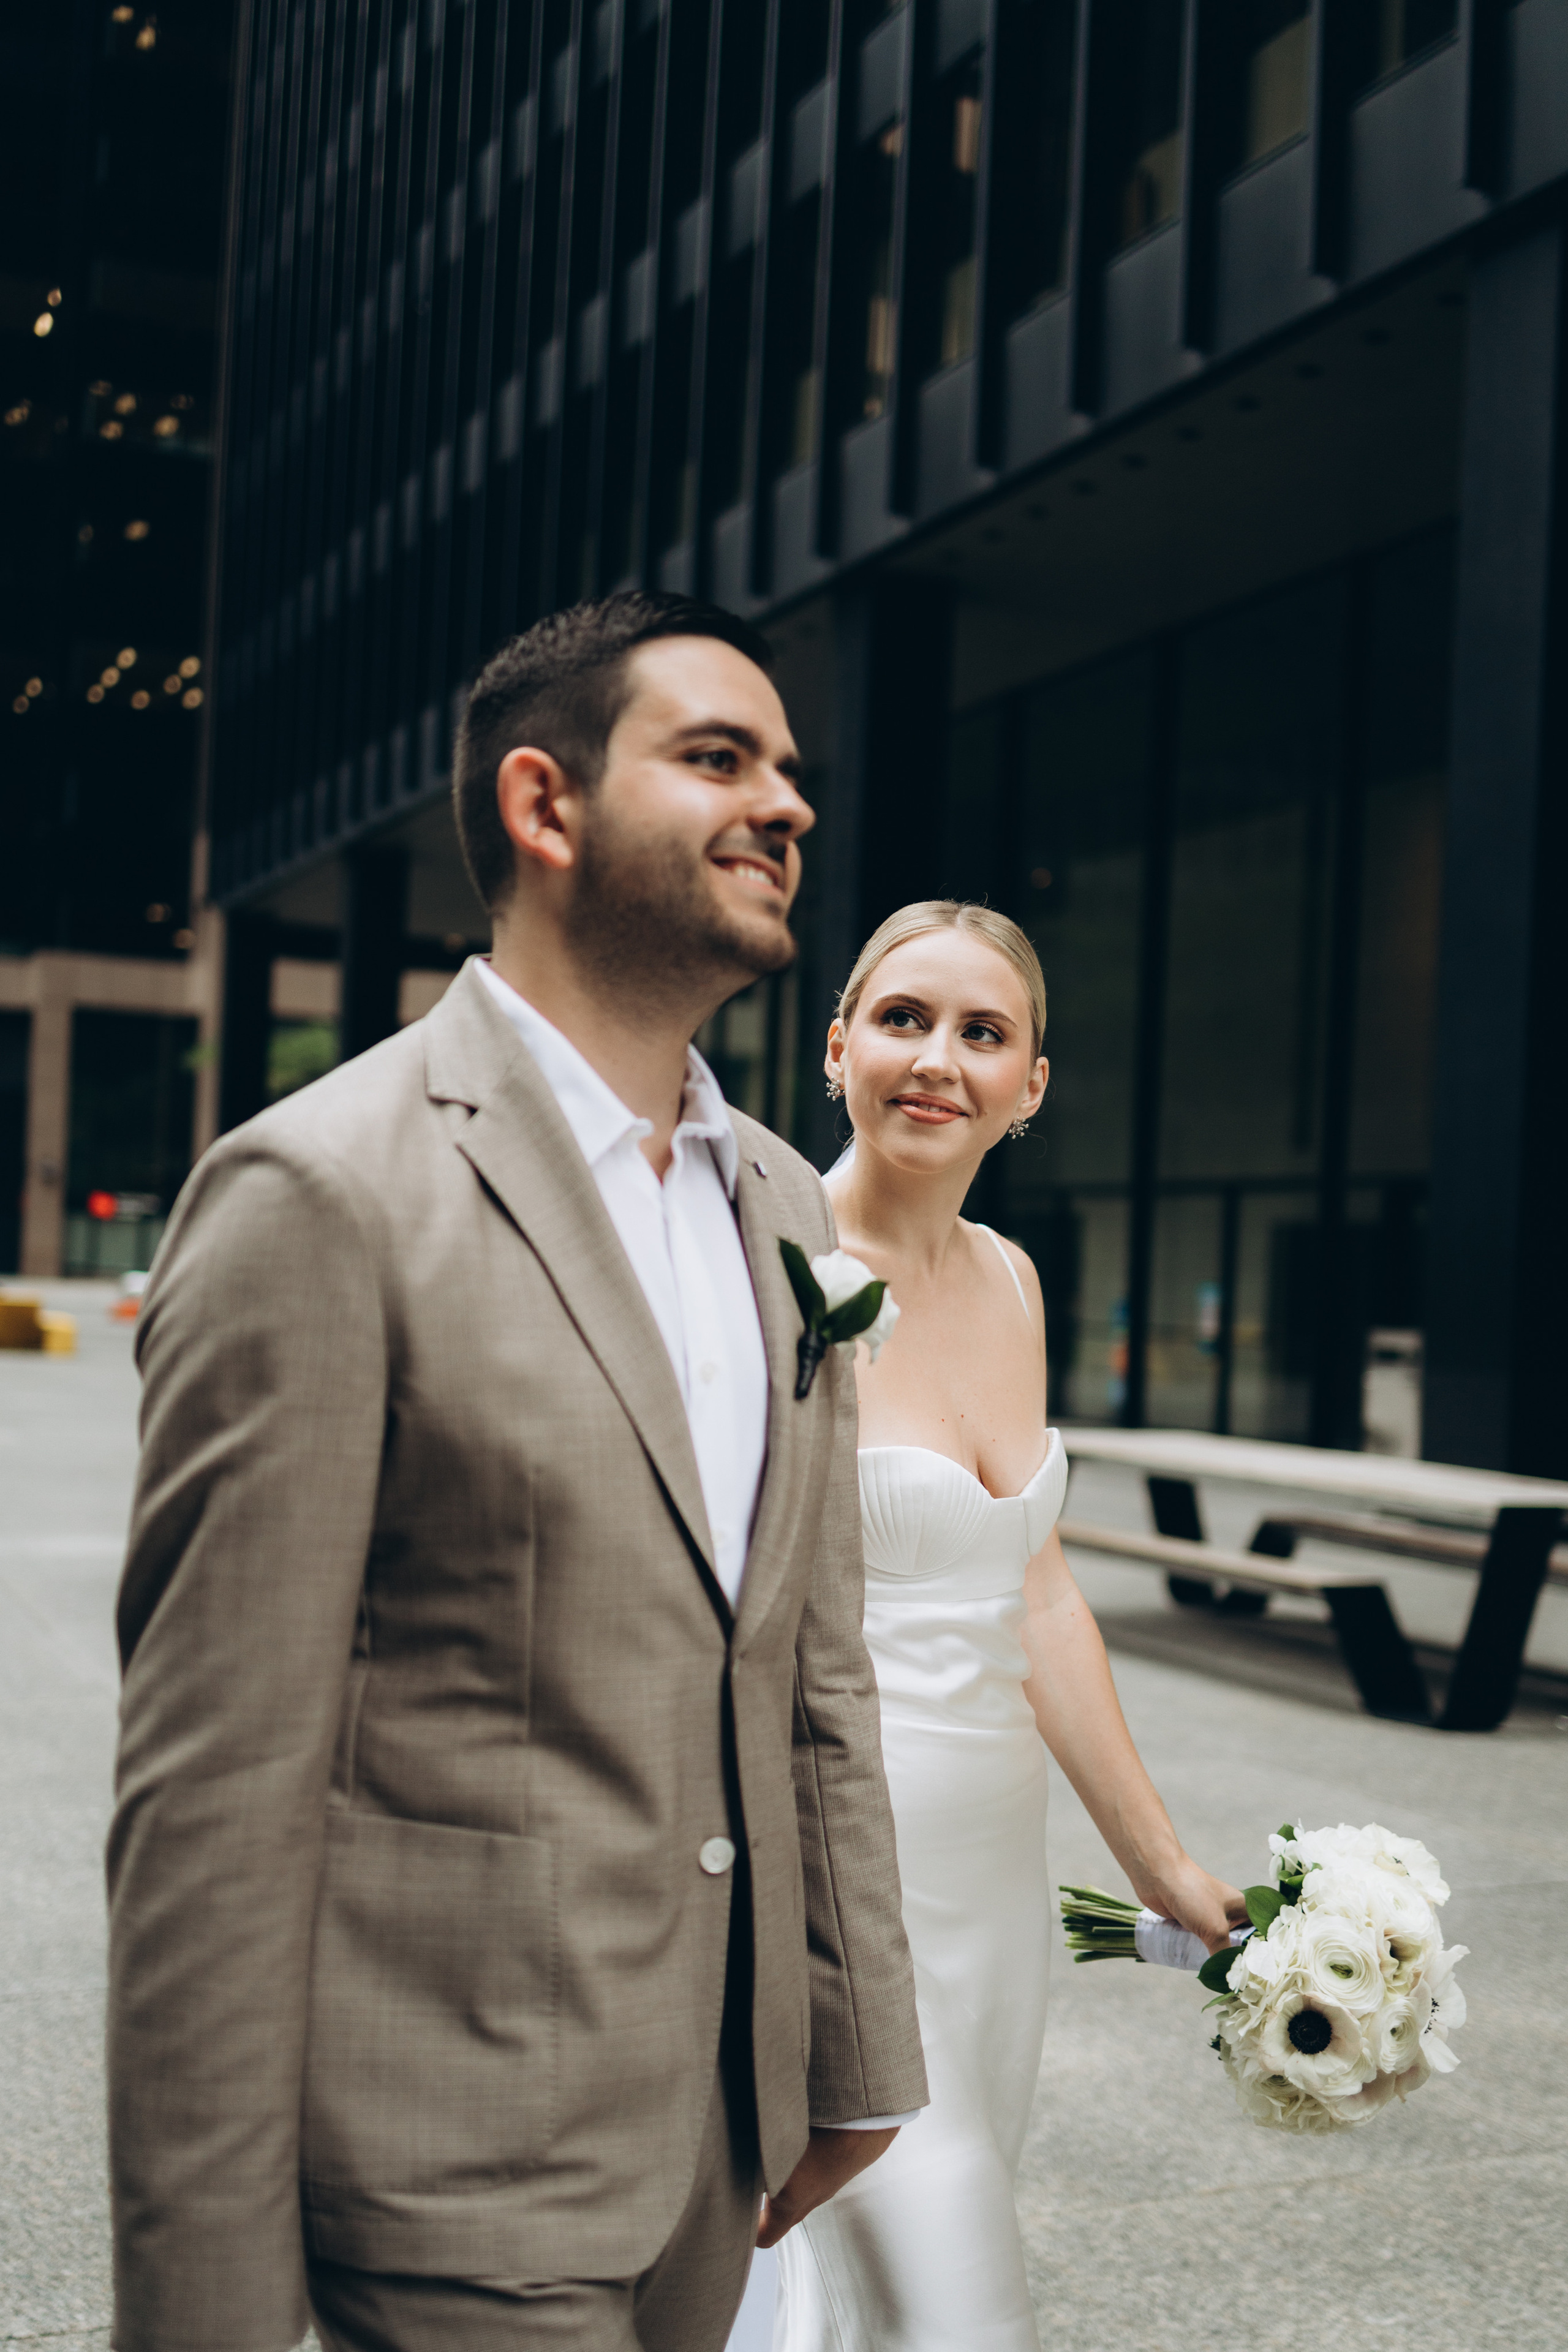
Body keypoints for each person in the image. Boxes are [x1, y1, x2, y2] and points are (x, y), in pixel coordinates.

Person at [105, 592, 927, 2352]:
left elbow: (807, 1673)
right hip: (450, 2174)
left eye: (791, 767)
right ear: (545, 810)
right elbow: (213, 1813)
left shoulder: (785, 1202)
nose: (786, 802)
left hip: (719, 2163)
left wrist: (852, 2056)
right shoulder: (320, 1194)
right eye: (718, 757)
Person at [773, 901, 1246, 2352]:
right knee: (943, 2297)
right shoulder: (765, 1264)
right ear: (837, 1040)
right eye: (904, 1019)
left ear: (1030, 1086)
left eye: (983, 1034)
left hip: (990, 1886)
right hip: (833, 1868)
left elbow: (1032, 1591)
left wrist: (1158, 1864)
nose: (938, 1060)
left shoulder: (1013, 1276)